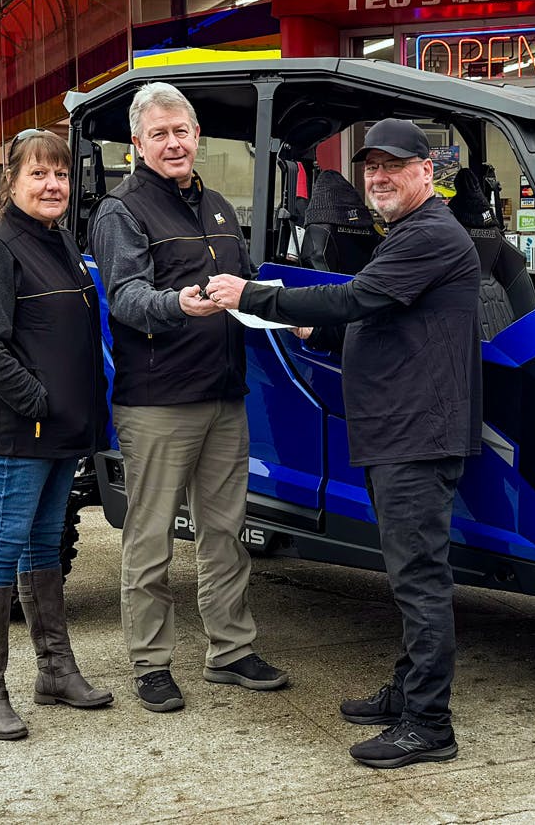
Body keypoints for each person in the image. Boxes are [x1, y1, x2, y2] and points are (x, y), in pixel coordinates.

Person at [204, 118, 482, 769]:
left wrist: (259, 296)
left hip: (417, 435)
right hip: (400, 430)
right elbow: (384, 318)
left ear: (425, 172)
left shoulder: (433, 234)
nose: (379, 178)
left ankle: (428, 725)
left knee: (420, 580)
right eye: (370, 168)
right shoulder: (408, 234)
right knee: (407, 575)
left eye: (394, 166)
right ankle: (406, 692)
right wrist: (316, 333)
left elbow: (358, 298)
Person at [89, 82, 287, 714]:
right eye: (159, 134)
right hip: (157, 402)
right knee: (149, 539)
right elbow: (124, 298)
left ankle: (230, 650)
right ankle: (150, 662)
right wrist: (178, 304)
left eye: (182, 132)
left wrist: (288, 311)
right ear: (137, 143)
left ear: (196, 136)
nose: (173, 143)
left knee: (226, 531)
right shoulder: (122, 212)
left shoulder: (221, 208)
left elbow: (246, 284)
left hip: (226, 395)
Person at [0, 128, 113, 741]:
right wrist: (39, 404)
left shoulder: (58, 239)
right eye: (38, 175)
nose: (53, 186)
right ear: (12, 181)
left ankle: (54, 670)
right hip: (26, 430)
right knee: (2, 546)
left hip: (64, 429)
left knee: (45, 545)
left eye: (60, 175)